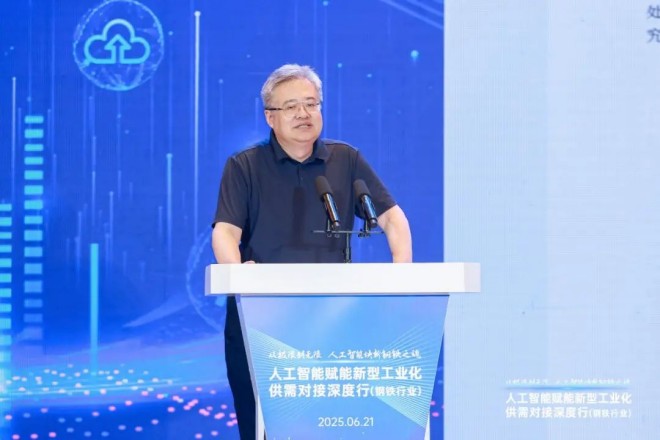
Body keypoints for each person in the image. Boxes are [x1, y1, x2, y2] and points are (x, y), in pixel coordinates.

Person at [211, 63, 412, 439]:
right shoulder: (245, 166)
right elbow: (225, 230)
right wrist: (237, 273)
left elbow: (391, 217)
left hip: (331, 318)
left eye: (311, 103)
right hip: (261, 318)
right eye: (291, 106)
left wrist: (402, 274)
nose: (304, 113)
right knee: (261, 425)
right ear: (270, 117)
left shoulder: (345, 159)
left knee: (328, 423)